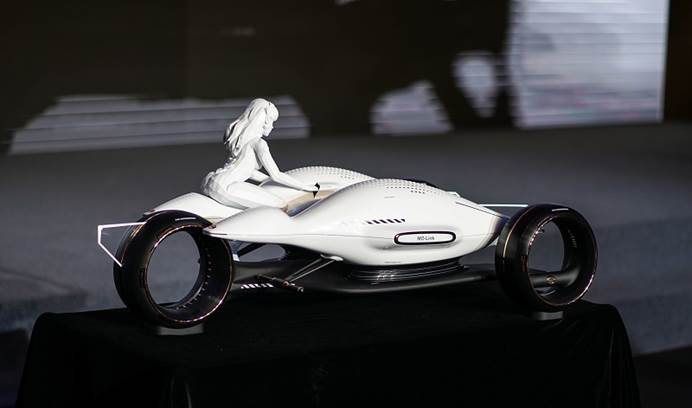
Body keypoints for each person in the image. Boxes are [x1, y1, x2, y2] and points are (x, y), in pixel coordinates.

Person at [201, 98, 317, 209]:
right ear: (264, 121)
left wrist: (271, 180)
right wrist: (306, 187)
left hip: (212, 180)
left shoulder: (242, 141)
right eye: (272, 122)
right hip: (225, 187)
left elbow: (249, 172)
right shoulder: (259, 144)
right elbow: (276, 175)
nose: (272, 127)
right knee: (280, 205)